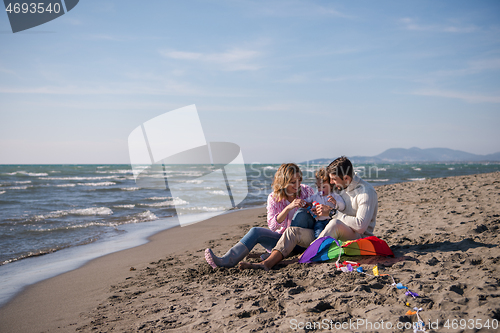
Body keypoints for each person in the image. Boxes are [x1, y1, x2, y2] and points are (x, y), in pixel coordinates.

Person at [239, 156, 378, 271]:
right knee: (292, 231)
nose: (332, 183)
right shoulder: (341, 189)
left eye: (334, 180)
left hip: (356, 237)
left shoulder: (365, 192)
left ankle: (299, 258)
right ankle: (267, 263)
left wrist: (332, 213)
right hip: (328, 233)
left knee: (335, 222)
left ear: (346, 178)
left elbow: (360, 226)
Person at [204, 163, 314, 268]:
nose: (297, 185)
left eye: (299, 180)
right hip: (282, 240)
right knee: (255, 231)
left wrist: (311, 208)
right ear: (283, 182)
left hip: (303, 239)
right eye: (292, 182)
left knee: (301, 214)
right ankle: (228, 260)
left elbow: (318, 213)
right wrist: (287, 208)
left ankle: (278, 255)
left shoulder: (306, 191)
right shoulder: (274, 198)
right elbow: (272, 226)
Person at [290, 167, 346, 238]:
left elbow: (343, 206)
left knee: (332, 235)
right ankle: (318, 246)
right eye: (319, 187)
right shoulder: (316, 196)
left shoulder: (334, 196)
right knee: (318, 235)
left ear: (331, 186)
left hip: (331, 221)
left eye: (324, 187)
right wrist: (304, 203)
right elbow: (307, 200)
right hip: (319, 222)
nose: (321, 189)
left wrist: (336, 202)